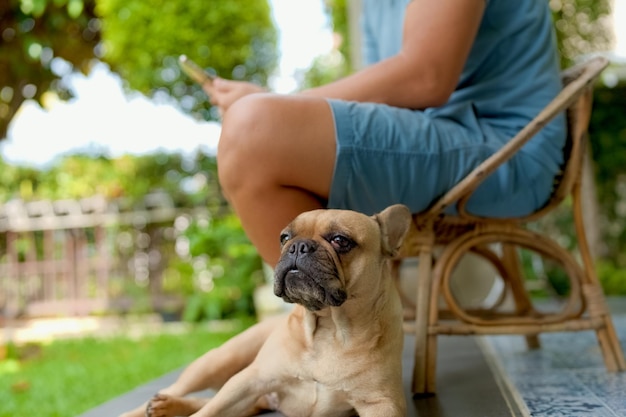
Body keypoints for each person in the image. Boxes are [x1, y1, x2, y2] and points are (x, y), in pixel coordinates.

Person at [121, 1, 565, 416]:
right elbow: (384, 90)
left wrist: (277, 108)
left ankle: (347, 350)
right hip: (430, 130)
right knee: (258, 125)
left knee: (253, 128)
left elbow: (426, 76)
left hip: (501, 142)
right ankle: (315, 343)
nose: (295, 248)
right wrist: (278, 108)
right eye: (288, 241)